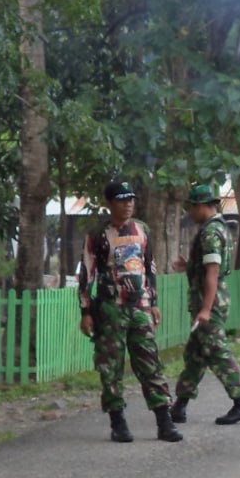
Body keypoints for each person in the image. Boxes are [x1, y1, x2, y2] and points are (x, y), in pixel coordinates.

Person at [77, 180, 183, 444]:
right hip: (110, 308)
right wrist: (85, 311)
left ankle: (164, 420)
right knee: (110, 366)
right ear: (109, 203)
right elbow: (87, 273)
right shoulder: (98, 233)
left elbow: (150, 267)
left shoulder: (142, 229)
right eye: (122, 200)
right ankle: (118, 421)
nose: (128, 205)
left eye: (131, 200)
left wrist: (154, 301)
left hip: (140, 307)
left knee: (149, 363)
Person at [170, 183, 240, 426]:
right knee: (195, 355)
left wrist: (206, 309)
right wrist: (190, 266)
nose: (190, 214)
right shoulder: (217, 228)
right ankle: (179, 406)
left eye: (191, 208)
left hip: (210, 304)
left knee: (218, 353)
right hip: (209, 301)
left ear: (200, 207)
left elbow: (213, 271)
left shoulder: (210, 233)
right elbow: (209, 266)